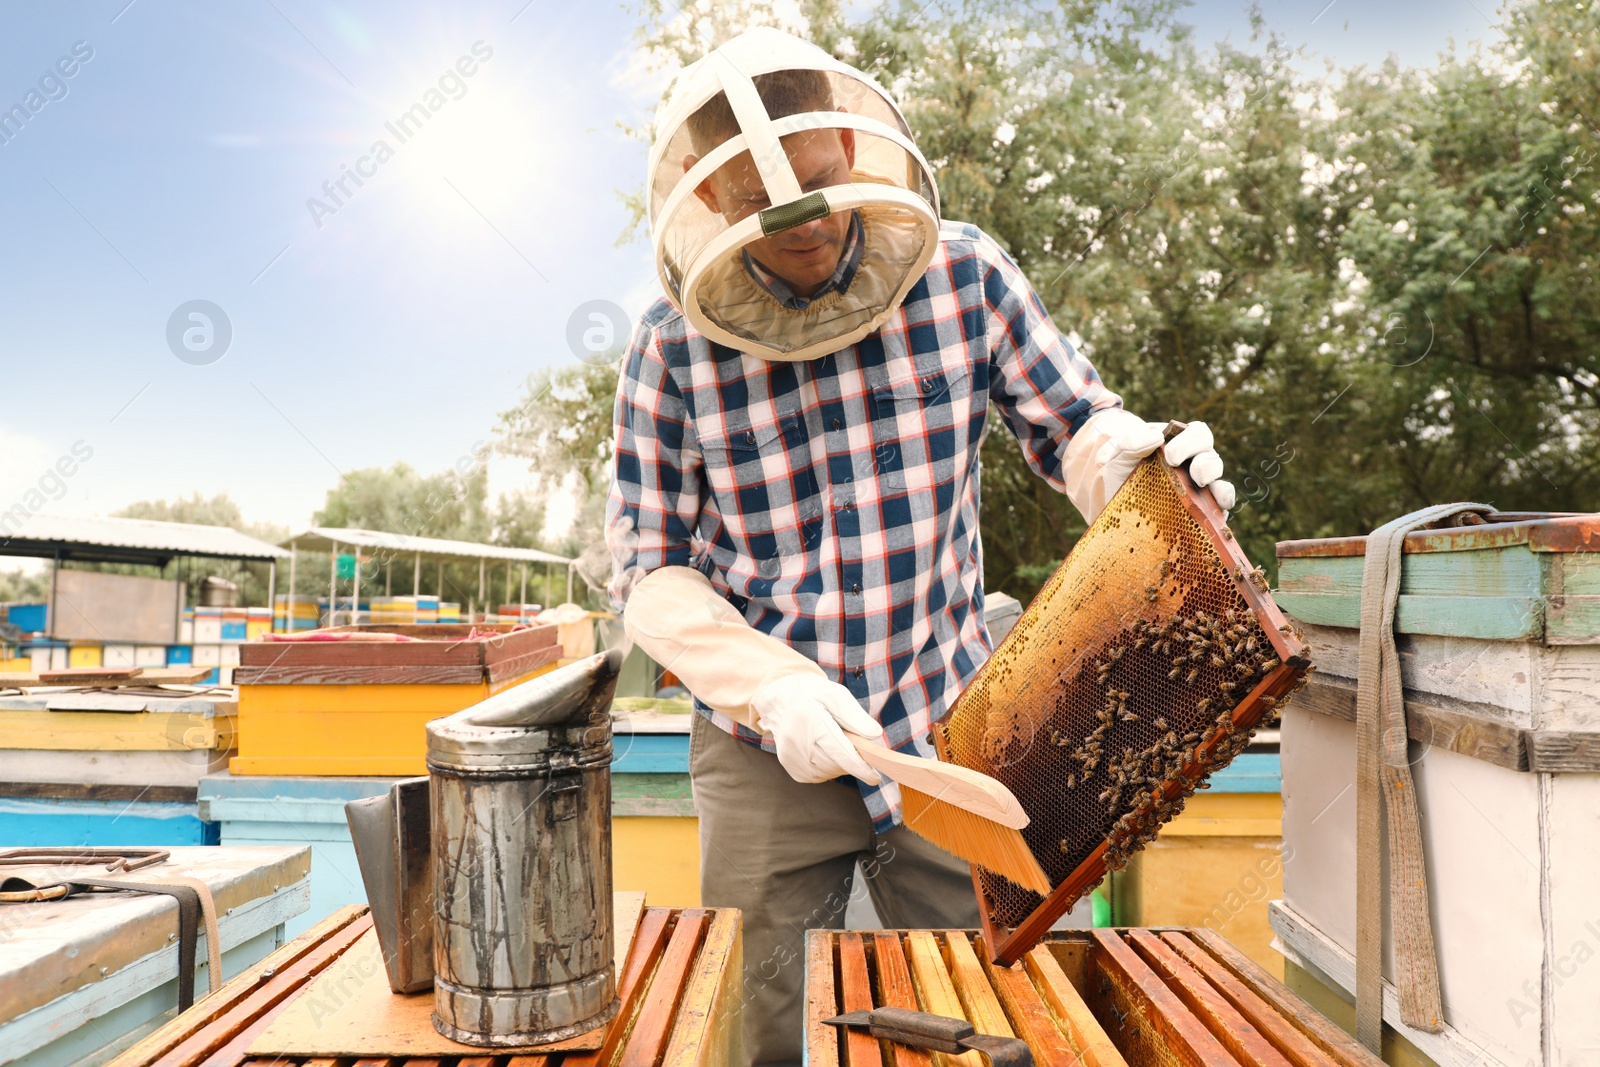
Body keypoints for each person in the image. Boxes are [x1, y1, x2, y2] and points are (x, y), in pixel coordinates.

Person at [605, 27, 1234, 1067]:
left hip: (950, 719)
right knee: (764, 1025)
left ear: (849, 145)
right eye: (767, 211)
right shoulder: (669, 347)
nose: (806, 231)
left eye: (815, 186)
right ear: (708, 201)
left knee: (988, 1008)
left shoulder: (964, 272)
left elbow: (1070, 423)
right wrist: (771, 686)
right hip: (767, 750)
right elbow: (652, 570)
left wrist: (1139, 468)